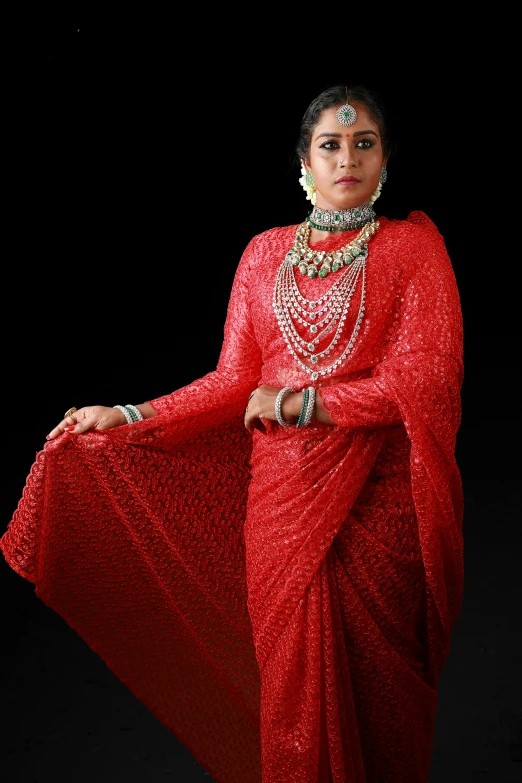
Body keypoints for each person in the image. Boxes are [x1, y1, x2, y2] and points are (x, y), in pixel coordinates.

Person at [0, 83, 464, 783]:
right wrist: (128, 416)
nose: (348, 158)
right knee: (292, 700)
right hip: (280, 508)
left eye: (363, 143)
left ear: (386, 160)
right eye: (330, 145)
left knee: (379, 699)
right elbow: (230, 384)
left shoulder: (412, 249)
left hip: (377, 507)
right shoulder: (262, 254)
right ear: (303, 164)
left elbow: (426, 380)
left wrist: (301, 406)